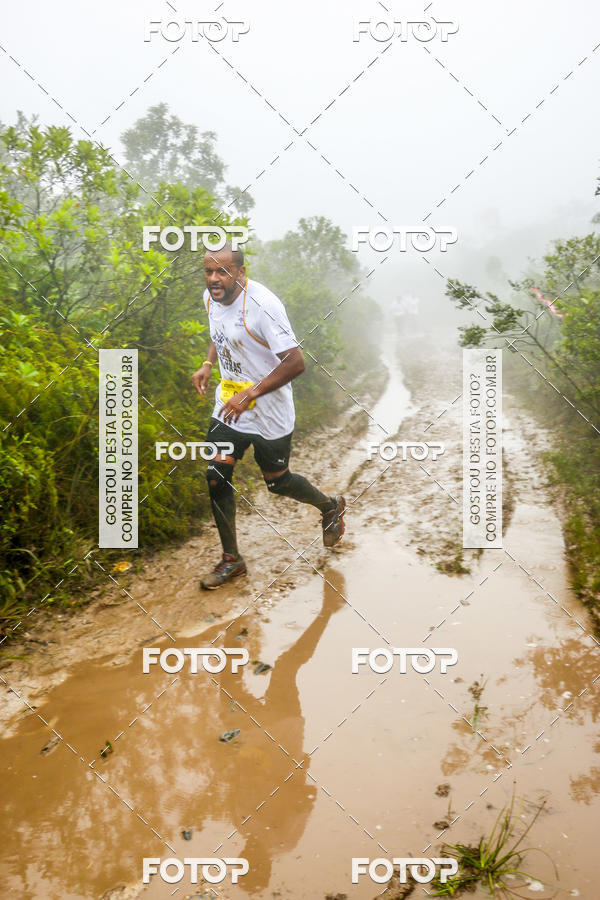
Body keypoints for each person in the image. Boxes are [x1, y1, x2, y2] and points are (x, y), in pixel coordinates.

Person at [192, 243, 345, 590]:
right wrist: (206, 364)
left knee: (277, 481)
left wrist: (253, 393)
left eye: (222, 271)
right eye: (208, 271)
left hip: (268, 409)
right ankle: (232, 560)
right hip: (230, 405)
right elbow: (220, 334)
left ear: (241, 272)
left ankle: (330, 506)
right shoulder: (210, 297)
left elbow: (295, 362)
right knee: (216, 474)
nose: (214, 279)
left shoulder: (264, 306)